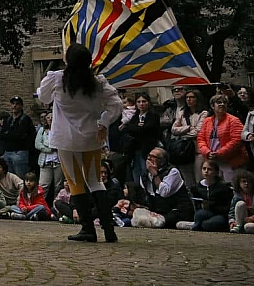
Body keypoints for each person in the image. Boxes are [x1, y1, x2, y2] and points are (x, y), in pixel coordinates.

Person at [36, 43, 123, 243]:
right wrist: (104, 122)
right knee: (95, 180)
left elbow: (43, 96)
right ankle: (109, 229)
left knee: (75, 183)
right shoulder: (97, 81)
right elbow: (116, 104)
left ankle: (88, 229)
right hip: (91, 137)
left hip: (66, 139)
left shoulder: (57, 79)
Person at [136, 147, 194, 229]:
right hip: (160, 211)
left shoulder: (173, 172)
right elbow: (149, 195)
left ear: (161, 161)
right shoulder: (144, 175)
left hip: (177, 210)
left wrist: (155, 174)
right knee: (137, 214)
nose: (149, 158)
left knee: (159, 222)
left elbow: (164, 193)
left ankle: (189, 224)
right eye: (149, 155)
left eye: (153, 157)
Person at [197, 93, 246, 184]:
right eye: (219, 102)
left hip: (230, 161)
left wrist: (219, 153)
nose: (222, 104)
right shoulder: (207, 121)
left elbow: (237, 140)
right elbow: (200, 139)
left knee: (231, 186)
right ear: (212, 106)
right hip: (212, 161)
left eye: (224, 102)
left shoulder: (234, 120)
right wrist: (207, 152)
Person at [122, 92, 162, 183]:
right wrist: (138, 127)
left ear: (148, 102)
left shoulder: (153, 116)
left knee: (146, 172)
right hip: (135, 149)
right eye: (139, 101)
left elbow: (148, 129)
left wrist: (138, 128)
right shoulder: (135, 116)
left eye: (144, 101)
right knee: (136, 172)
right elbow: (128, 129)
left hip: (147, 149)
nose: (141, 104)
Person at [170, 89, 207, 186]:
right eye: (187, 97)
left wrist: (182, 133)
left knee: (199, 177)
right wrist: (188, 128)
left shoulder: (203, 113)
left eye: (192, 97)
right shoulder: (182, 113)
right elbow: (173, 130)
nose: (189, 100)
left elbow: (197, 132)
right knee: (187, 179)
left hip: (197, 149)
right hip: (184, 150)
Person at [0, 96, 35, 179]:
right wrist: (8, 134)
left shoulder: (25, 119)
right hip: (8, 152)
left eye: (17, 104)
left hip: (20, 153)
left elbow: (19, 135)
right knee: (10, 179)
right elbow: (1, 135)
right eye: (13, 104)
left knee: (21, 179)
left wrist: (8, 134)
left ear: (21, 106)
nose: (14, 106)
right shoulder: (8, 120)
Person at [189, 160, 232, 232]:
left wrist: (212, 206)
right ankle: (197, 225)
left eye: (209, 169)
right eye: (204, 168)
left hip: (220, 214)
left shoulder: (223, 187)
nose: (206, 171)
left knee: (208, 224)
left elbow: (227, 206)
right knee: (199, 214)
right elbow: (197, 205)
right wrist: (202, 206)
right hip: (205, 213)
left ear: (215, 172)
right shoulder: (197, 187)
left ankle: (197, 226)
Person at [34, 111, 63, 204]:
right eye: (48, 117)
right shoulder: (42, 130)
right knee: (43, 185)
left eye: (52, 117)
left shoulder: (60, 130)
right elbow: (37, 144)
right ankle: (39, 204)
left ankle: (56, 206)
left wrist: (51, 145)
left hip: (58, 161)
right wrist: (49, 149)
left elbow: (60, 143)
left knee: (58, 186)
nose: (50, 119)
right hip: (45, 162)